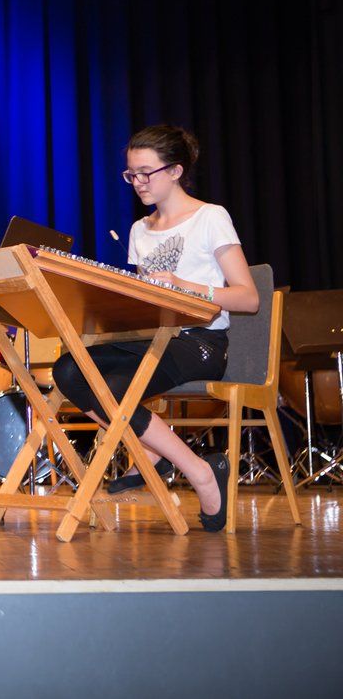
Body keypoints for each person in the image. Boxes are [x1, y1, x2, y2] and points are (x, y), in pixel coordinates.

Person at [51, 124, 258, 532]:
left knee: (110, 387)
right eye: (131, 174)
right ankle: (174, 457)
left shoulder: (210, 217)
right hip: (152, 338)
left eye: (146, 172)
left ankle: (191, 470)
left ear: (176, 171)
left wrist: (185, 287)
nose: (138, 182)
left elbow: (248, 298)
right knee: (69, 370)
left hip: (200, 342)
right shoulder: (139, 230)